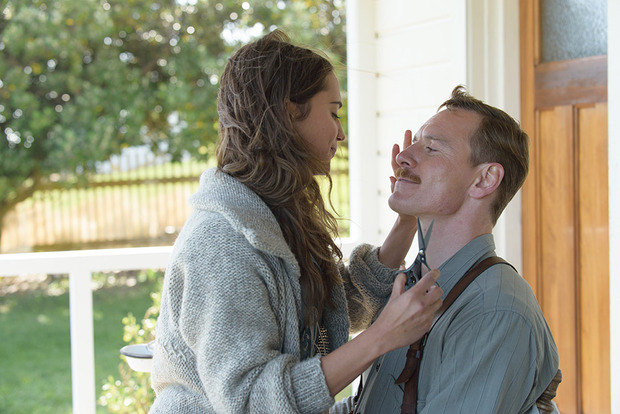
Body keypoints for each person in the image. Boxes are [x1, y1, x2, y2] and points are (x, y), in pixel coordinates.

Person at [148, 30, 443, 414]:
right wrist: (380, 339)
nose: (341, 132)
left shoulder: (274, 215)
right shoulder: (222, 244)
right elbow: (251, 402)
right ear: (289, 112)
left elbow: (331, 315)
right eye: (334, 112)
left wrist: (405, 223)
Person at [351, 86, 559, 414]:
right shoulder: (412, 285)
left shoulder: (495, 312)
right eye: (415, 143)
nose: (403, 158)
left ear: (484, 179)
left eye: (431, 148)